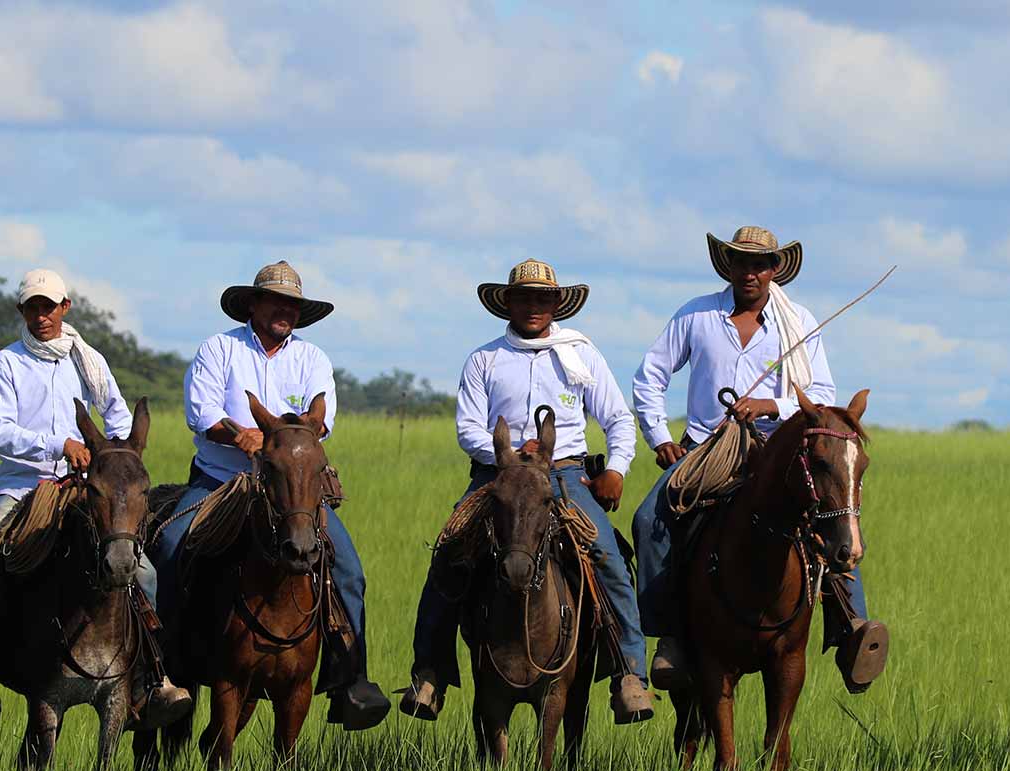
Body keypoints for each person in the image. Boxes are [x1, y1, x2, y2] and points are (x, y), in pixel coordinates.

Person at [630, 226, 889, 692]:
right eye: (740, 263)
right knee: (650, 518)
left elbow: (824, 395)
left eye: (759, 264)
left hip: (774, 447)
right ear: (727, 266)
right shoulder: (696, 315)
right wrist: (658, 437)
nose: (749, 272)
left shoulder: (799, 320)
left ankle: (853, 628)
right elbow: (649, 377)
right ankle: (668, 635)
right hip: (706, 445)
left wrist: (770, 406)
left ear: (774, 270)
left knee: (828, 514)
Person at [400, 259, 653, 723]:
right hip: (496, 477)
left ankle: (630, 673)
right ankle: (430, 672)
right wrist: (512, 453)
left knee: (609, 560)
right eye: (524, 297)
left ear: (556, 304)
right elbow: (468, 428)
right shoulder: (484, 359)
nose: (533, 305)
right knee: (449, 553)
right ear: (507, 304)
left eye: (543, 297)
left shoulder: (583, 355)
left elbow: (618, 418)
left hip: (564, 477)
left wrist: (615, 468)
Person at [0, 268, 193, 734]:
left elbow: (117, 410)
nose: (42, 316)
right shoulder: (7, 363)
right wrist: (58, 445)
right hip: (24, 486)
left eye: (49, 306)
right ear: (22, 312)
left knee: (144, 571)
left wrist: (110, 452)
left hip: (86, 486)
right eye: (32, 308)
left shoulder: (87, 359)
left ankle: (149, 677)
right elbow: (3, 434)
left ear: (65, 308)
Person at [153, 261, 390, 730]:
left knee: (348, 569)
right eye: (276, 301)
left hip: (289, 489)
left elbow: (320, 423)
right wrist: (236, 434)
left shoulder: (313, 360)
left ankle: (350, 680)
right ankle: (159, 672)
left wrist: (279, 440)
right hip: (221, 480)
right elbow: (201, 413)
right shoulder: (219, 349)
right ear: (253, 304)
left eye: (293, 305)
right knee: (169, 544)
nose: (285, 310)